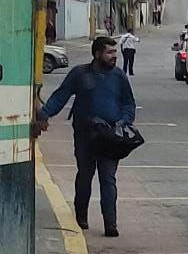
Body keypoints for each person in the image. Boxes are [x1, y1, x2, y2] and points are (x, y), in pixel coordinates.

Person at [34, 36, 136, 236]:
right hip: (85, 134)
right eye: (109, 52)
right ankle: (81, 217)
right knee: (85, 175)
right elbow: (60, 96)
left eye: (115, 53)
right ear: (97, 53)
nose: (114, 57)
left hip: (110, 137)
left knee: (108, 179)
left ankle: (110, 224)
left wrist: (124, 122)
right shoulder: (79, 74)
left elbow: (128, 104)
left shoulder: (119, 76)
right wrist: (44, 115)